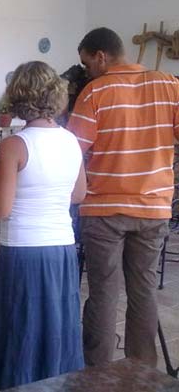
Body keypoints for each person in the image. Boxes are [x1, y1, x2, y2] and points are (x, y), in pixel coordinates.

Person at [67, 27, 179, 367]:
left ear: (101, 57)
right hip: (153, 208)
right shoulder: (171, 85)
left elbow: (71, 153)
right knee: (143, 292)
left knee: (103, 292)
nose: (86, 71)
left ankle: (97, 375)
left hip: (103, 210)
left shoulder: (95, 92)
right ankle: (142, 374)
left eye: (87, 64)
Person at [0, 61, 86, 392]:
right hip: (61, 248)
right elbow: (79, 194)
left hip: (24, 251)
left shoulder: (14, 145)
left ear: (17, 97)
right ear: (55, 94)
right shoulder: (71, 141)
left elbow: (0, 210)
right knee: (57, 322)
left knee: (21, 325)